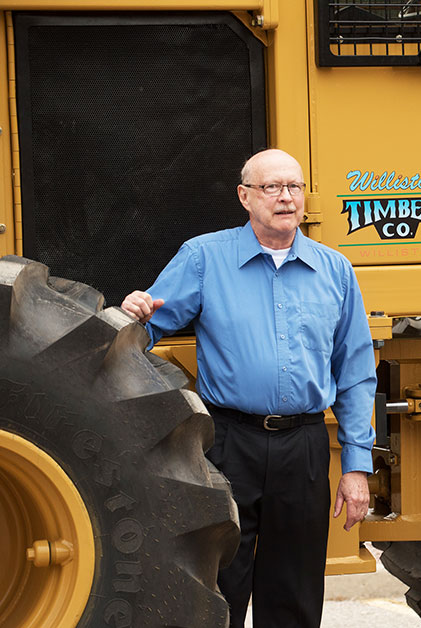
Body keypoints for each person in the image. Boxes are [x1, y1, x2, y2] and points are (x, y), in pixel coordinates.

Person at [121, 148, 376, 628]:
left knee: (295, 590)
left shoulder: (335, 271)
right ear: (245, 196)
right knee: (220, 584)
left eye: (294, 187)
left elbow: (357, 373)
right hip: (227, 444)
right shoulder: (203, 257)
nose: (286, 198)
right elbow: (147, 327)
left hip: (303, 446)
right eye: (272, 187)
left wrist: (356, 466)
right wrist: (134, 310)